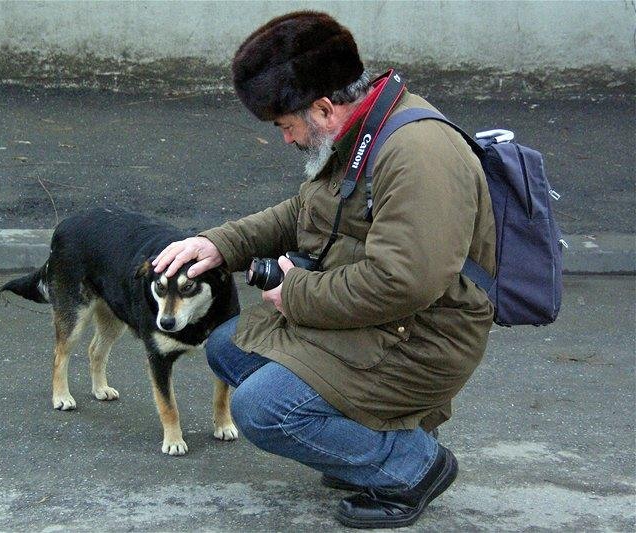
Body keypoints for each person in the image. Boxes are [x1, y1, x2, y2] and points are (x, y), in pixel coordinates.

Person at [152, 11, 495, 529]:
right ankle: (379, 439)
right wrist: (219, 244)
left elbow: (404, 282)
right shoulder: (362, 131)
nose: (286, 140)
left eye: (285, 126)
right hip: (378, 325)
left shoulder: (417, 152)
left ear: (323, 107)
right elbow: (303, 215)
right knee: (228, 347)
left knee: (262, 409)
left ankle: (412, 466)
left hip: (421, 340)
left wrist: (295, 295)